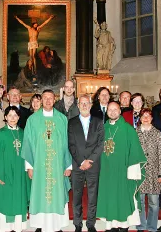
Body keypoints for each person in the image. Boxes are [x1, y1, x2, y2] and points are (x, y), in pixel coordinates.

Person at [21, 89, 72, 232]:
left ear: (54, 100)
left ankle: (57, 224)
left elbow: (68, 142)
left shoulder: (62, 119)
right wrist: (29, 166)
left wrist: (68, 165)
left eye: (50, 98)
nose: (48, 101)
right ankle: (40, 224)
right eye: (45, 98)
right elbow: (28, 143)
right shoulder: (32, 120)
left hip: (58, 165)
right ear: (41, 100)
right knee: (39, 192)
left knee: (57, 192)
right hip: (39, 165)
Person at [96, 102, 146, 231]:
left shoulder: (128, 129)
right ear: (106, 112)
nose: (112, 112)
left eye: (115, 109)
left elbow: (135, 151)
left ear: (120, 111)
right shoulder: (102, 128)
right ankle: (111, 225)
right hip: (106, 172)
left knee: (123, 198)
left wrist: (132, 172)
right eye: (110, 110)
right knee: (110, 198)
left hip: (123, 172)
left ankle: (124, 226)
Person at [0, 106, 30, 232]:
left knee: (19, 197)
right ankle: (6, 228)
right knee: (6, 199)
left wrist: (28, 169)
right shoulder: (1, 133)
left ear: (19, 117)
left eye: (15, 115)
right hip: (6, 173)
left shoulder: (23, 133)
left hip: (20, 173)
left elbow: (28, 153)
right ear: (5, 117)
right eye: (10, 115)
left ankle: (18, 227)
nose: (13, 118)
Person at [68, 94, 104, 232]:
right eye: (81, 103)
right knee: (76, 195)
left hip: (93, 165)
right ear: (78, 106)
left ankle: (90, 223)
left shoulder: (98, 122)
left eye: (86, 103)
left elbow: (101, 144)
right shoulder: (71, 122)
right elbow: (71, 144)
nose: (84, 105)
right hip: (77, 165)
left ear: (90, 105)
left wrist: (90, 160)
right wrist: (81, 161)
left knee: (92, 195)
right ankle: (77, 223)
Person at [135, 108, 161, 232]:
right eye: (143, 116)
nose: (146, 118)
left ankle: (152, 227)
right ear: (140, 118)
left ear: (152, 118)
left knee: (154, 202)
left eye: (148, 116)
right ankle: (141, 225)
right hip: (139, 171)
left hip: (154, 172)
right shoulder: (134, 132)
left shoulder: (157, 133)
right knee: (140, 201)